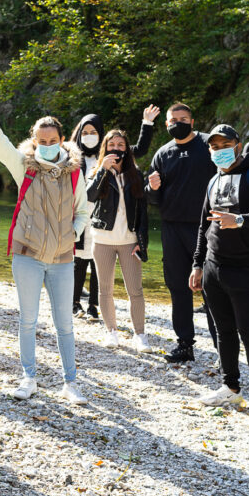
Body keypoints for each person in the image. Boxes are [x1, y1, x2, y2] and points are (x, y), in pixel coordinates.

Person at [0, 80, 91, 404]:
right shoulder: (24, 166)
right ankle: (29, 377)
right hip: (27, 255)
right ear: (35, 141)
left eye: (53, 140)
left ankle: (70, 383)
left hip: (63, 258)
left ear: (62, 140)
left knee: (64, 323)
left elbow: (83, 211)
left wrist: (73, 234)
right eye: (42, 141)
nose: (47, 145)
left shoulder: (74, 173)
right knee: (27, 319)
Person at [190, 125, 249, 426]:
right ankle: (230, 386)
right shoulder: (213, 179)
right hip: (213, 267)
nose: (219, 150)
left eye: (225, 144)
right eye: (214, 146)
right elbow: (203, 226)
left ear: (238, 145)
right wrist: (197, 264)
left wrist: (242, 219)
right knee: (223, 331)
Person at [145, 102, 218, 363]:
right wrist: (152, 188)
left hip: (207, 227)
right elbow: (152, 199)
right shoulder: (163, 154)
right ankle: (184, 344)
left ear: (192, 120)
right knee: (178, 286)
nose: (178, 122)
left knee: (213, 288)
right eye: (173, 119)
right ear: (166, 124)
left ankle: (223, 347)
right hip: (172, 228)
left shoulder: (210, 145)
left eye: (183, 118)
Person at [86, 129, 151, 352]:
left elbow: (143, 212)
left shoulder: (135, 175)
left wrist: (142, 243)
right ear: (105, 148)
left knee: (135, 290)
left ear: (127, 149)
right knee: (105, 290)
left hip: (129, 241)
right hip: (102, 240)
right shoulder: (98, 171)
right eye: (112, 144)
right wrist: (103, 171)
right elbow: (89, 196)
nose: (116, 148)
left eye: (121, 145)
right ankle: (111, 331)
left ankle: (140, 335)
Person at [69, 114, 103, 321]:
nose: (89, 136)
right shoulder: (72, 157)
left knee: (98, 262)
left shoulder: (106, 157)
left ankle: (93, 305)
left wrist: (147, 124)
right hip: (78, 214)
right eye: (85, 132)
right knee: (79, 261)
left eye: (94, 132)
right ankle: (74, 302)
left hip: (101, 216)